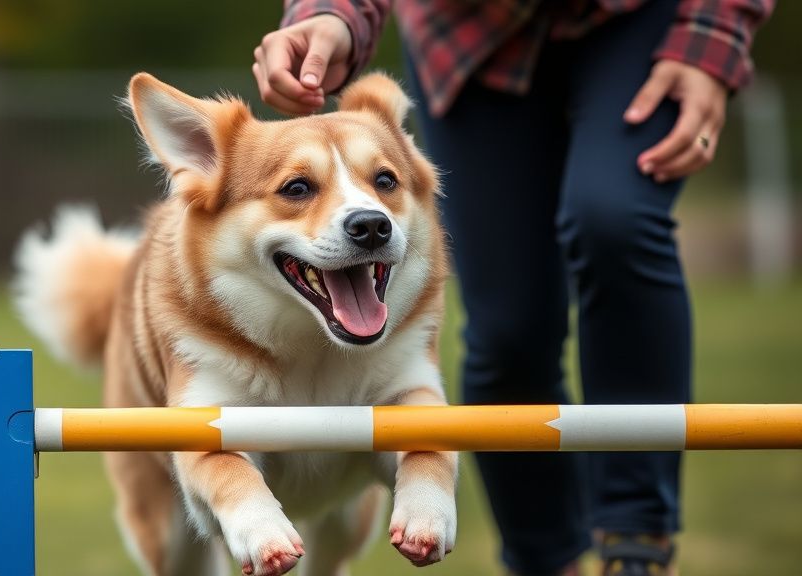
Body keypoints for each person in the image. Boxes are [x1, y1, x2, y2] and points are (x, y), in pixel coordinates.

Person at [252, 1, 774, 575]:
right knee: (509, 331)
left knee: (613, 219)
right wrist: (333, 15)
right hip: (469, 35)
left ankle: (636, 543)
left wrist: (714, 37)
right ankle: (541, 560)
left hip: (639, 18)